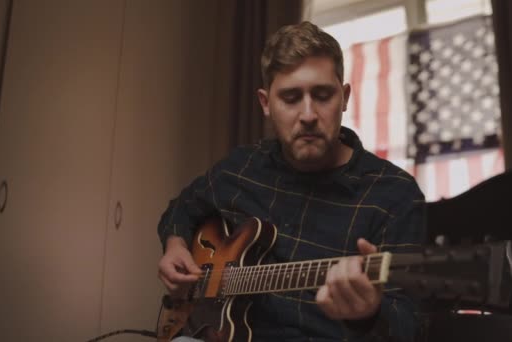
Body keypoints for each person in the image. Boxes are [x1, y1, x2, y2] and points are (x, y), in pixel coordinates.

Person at [157, 21, 425, 341]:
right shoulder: (240, 168)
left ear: (345, 97)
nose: (308, 114)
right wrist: (174, 245)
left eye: (323, 95)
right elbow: (181, 209)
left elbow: (411, 325)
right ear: (266, 103)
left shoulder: (395, 195)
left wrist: (369, 313)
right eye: (291, 97)